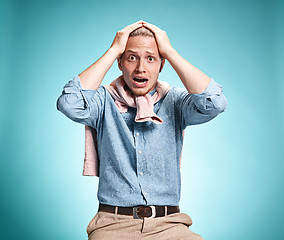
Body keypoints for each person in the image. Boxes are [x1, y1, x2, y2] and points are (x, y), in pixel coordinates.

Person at [56, 20, 228, 240]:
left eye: (150, 58)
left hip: (169, 225)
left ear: (161, 64)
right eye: (131, 57)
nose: (141, 68)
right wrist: (113, 50)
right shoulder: (102, 101)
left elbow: (215, 103)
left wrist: (170, 51)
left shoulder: (175, 102)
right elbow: (69, 103)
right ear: (120, 63)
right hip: (112, 225)